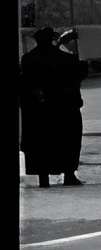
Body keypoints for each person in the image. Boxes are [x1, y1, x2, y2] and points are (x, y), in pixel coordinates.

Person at [22, 27, 87, 186]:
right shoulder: (66, 58)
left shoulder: (28, 59)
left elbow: (24, 84)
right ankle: (69, 175)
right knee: (67, 141)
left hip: (38, 109)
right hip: (64, 108)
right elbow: (79, 75)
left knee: (40, 144)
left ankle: (43, 178)